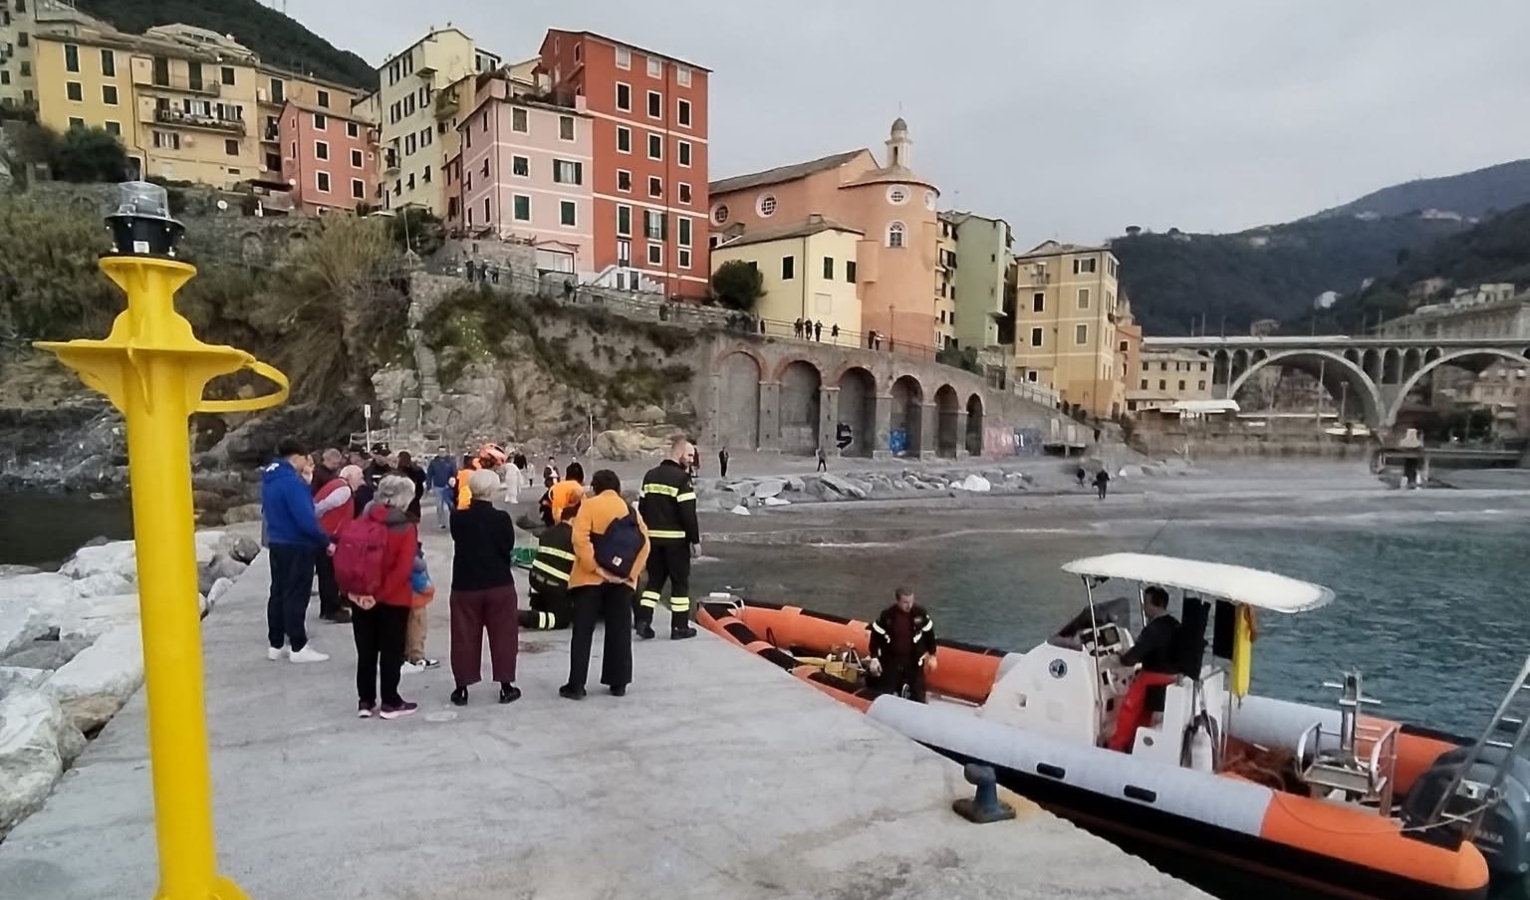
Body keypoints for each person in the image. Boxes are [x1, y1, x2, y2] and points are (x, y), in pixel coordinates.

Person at [562, 469, 648, 699]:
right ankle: (618, 683)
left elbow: (579, 540)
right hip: (621, 582)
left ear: (595, 486)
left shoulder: (588, 506)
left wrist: (596, 568)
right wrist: (629, 574)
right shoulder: (629, 510)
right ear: (617, 488)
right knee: (619, 631)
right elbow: (644, 544)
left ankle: (577, 685)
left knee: (583, 632)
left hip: (589, 580)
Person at [343, 475, 420, 719]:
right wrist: (380, 595)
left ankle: (365, 701)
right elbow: (402, 568)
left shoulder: (361, 520)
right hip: (393, 598)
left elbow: (347, 560)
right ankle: (390, 701)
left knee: (366, 651)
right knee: (391, 650)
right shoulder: (405, 527)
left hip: (360, 595)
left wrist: (352, 593)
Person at [447, 469, 522, 706]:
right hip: (498, 582)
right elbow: (507, 547)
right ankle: (505, 685)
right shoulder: (501, 519)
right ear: (492, 490)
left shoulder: (457, 518)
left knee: (464, 636)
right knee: (503, 635)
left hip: (465, 583)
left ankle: (462, 687)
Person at [260, 438, 335, 663]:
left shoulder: (269, 480)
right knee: (296, 595)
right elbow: (306, 518)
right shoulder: (292, 483)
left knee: (278, 592)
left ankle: (276, 643)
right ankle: (298, 645)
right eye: (306, 458)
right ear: (297, 457)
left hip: (278, 542)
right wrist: (325, 541)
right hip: (297, 544)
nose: (308, 462)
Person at [636, 439, 700, 640]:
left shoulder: (650, 476)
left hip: (653, 541)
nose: (691, 460)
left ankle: (643, 621)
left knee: (654, 582)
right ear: (679, 453)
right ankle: (679, 627)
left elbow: (642, 509)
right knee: (680, 584)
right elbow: (688, 513)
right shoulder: (682, 479)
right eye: (689, 455)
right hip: (676, 542)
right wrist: (695, 541)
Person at [1108, 586, 1182, 752]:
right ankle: (1137, 743)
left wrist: (1122, 657)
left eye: (1145, 603)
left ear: (1154, 604)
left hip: (1152, 676)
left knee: (1129, 707)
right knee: (1145, 712)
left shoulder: (1153, 629)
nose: (1143, 607)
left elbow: (1133, 657)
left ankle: (1117, 746)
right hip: (1172, 676)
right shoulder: (1175, 624)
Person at [867, 587, 938, 702]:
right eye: (905, 602)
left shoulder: (920, 613)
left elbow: (929, 634)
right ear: (898, 601)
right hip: (892, 659)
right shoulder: (887, 616)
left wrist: (933, 655)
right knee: (886, 691)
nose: (909, 605)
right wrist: (874, 657)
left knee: (918, 694)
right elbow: (876, 637)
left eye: (911, 601)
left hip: (913, 660)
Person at [314, 464, 364, 624]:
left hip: (327, 534)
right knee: (329, 574)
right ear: (349, 476)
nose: (362, 481)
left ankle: (334, 603)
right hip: (329, 535)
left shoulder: (337, 485)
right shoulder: (344, 489)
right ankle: (330, 609)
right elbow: (321, 507)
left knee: (330, 572)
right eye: (360, 477)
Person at [522, 517, 574, 630]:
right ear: (574, 519)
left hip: (535, 579)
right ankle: (524, 618)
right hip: (555, 586)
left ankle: (538, 604)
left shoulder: (548, 532)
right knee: (561, 620)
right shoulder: (574, 536)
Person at [400, 538, 440, 673]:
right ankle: (416, 656)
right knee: (417, 628)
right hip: (415, 598)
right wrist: (428, 588)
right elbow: (417, 572)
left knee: (407, 627)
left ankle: (406, 654)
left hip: (403, 597)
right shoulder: (410, 555)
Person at [426, 445, 457, 528]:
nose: (442, 453)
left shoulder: (450, 462)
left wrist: (453, 484)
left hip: (448, 487)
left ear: (446, 452)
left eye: (443, 451)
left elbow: (455, 473)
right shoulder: (433, 462)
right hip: (437, 487)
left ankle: (453, 521)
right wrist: (429, 487)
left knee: (451, 505)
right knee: (439, 506)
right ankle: (441, 523)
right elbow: (429, 474)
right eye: (440, 451)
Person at [395, 451, 427, 521]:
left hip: (402, 499)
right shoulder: (417, 469)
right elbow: (423, 479)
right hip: (415, 498)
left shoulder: (399, 471)